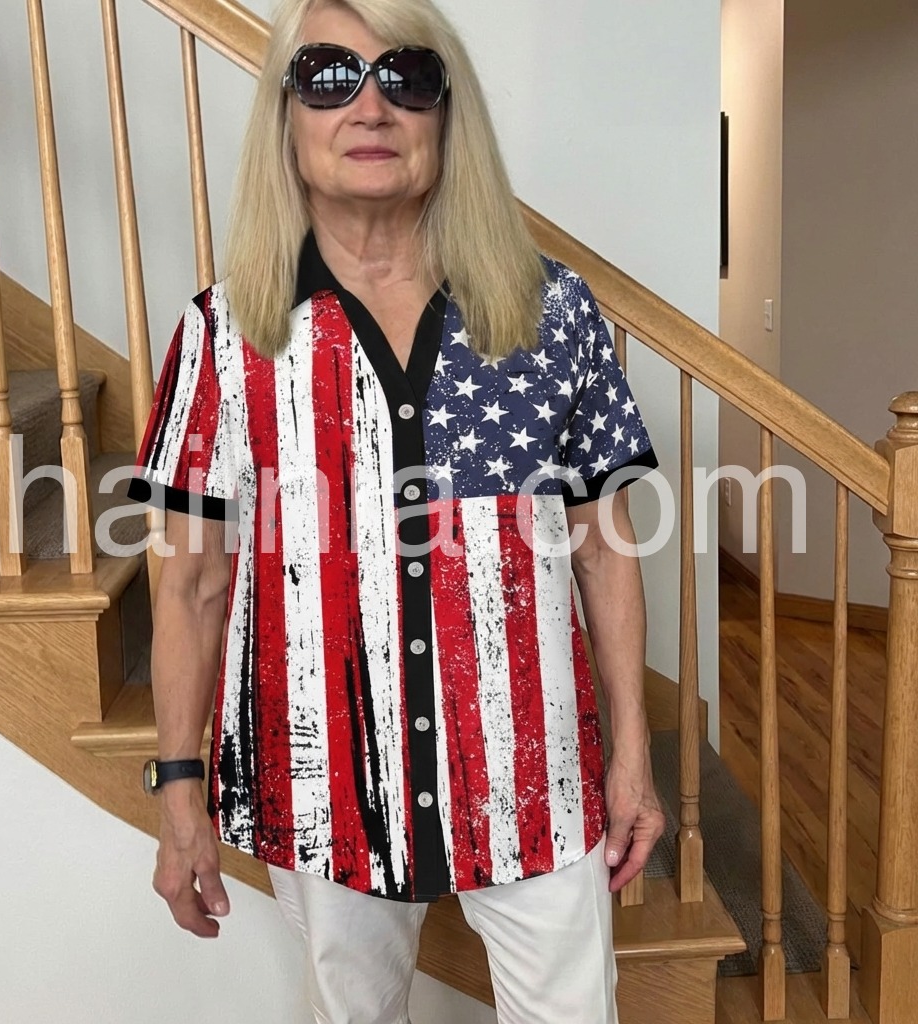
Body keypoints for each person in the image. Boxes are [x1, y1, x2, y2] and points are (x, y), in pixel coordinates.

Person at [130, 0, 666, 1020]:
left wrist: (631, 759)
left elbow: (604, 550)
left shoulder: (551, 312)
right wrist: (179, 791)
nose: (370, 106)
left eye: (407, 76)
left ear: (447, 115)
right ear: (286, 117)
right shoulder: (223, 333)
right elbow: (193, 583)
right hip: (322, 785)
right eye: (329, 76)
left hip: (533, 778)